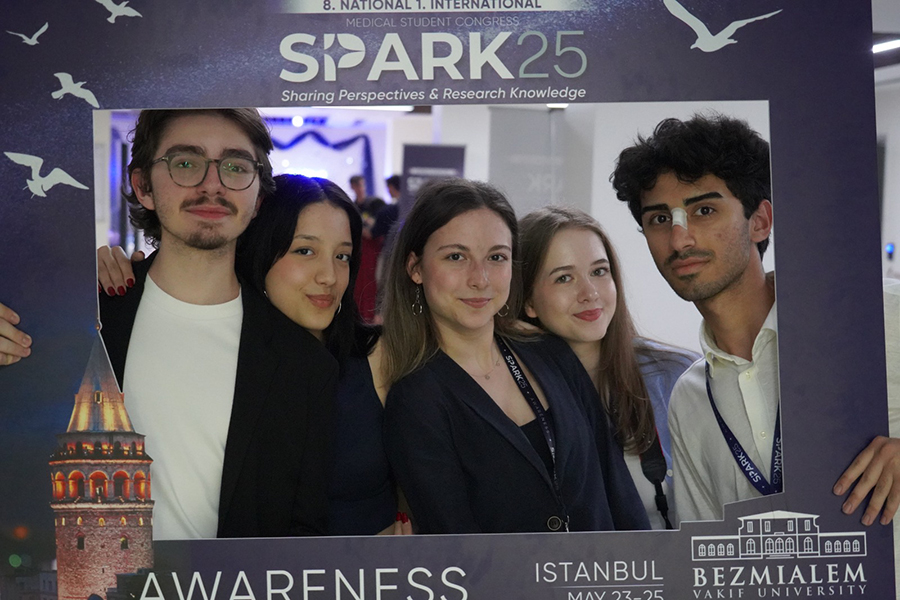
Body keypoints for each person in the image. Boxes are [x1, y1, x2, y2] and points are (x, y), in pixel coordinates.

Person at [611, 113, 900, 526]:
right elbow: (705, 548)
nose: (679, 238)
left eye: (704, 210)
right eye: (659, 219)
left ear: (760, 222)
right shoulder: (689, 398)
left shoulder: (877, 315)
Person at [96, 173, 410, 536]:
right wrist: (103, 275)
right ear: (261, 249)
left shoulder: (378, 358)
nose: (329, 276)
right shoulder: (216, 357)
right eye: (304, 251)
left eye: (342, 256)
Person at [97, 109, 338, 539]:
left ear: (257, 199)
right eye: (185, 163)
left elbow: (302, 536)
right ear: (143, 186)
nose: (212, 185)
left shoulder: (303, 366)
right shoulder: (86, 316)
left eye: (235, 167)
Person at [381, 178, 650, 534]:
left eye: (496, 257)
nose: (480, 279)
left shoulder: (550, 353)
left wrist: (645, 565)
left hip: (606, 570)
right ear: (415, 268)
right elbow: (455, 541)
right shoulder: (417, 400)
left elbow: (618, 490)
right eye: (456, 257)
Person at [518, 206, 698, 529]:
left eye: (599, 272)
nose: (590, 293)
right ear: (528, 301)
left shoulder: (676, 376)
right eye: (564, 278)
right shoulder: (508, 391)